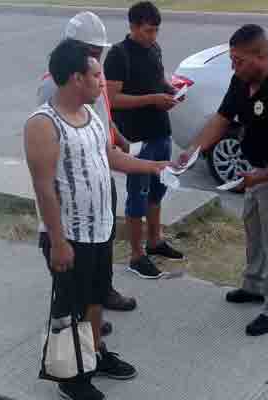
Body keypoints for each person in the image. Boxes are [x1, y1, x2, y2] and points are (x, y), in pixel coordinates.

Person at [25, 39, 175, 399]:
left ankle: (94, 355)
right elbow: (45, 190)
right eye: (96, 76)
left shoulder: (91, 115)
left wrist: (154, 166)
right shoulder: (43, 125)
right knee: (70, 308)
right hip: (69, 236)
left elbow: (110, 157)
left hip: (99, 230)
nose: (101, 82)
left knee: (94, 300)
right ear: (76, 78)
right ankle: (70, 378)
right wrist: (59, 243)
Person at [177, 24, 268, 336]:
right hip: (255, 173)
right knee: (254, 233)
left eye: (238, 60)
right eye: (232, 59)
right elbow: (221, 119)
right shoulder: (241, 81)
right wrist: (192, 152)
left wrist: (261, 176)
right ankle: (254, 287)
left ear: (261, 56)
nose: (233, 66)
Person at [36, 12, 137, 341]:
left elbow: (99, 111)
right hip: (74, 184)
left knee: (102, 242)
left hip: (99, 170)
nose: (97, 57)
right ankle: (68, 319)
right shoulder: (53, 84)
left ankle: (99, 294)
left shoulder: (93, 73)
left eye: (99, 51)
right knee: (74, 262)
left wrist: (116, 133)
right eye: (91, 51)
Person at [104, 1, 185, 279]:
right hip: (136, 139)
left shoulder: (154, 49)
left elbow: (157, 79)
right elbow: (111, 100)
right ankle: (136, 255)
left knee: (157, 191)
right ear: (133, 26)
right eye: (148, 31)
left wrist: (171, 90)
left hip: (160, 130)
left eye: (156, 31)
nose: (153, 37)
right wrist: (153, 99)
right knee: (136, 197)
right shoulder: (118, 55)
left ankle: (154, 242)